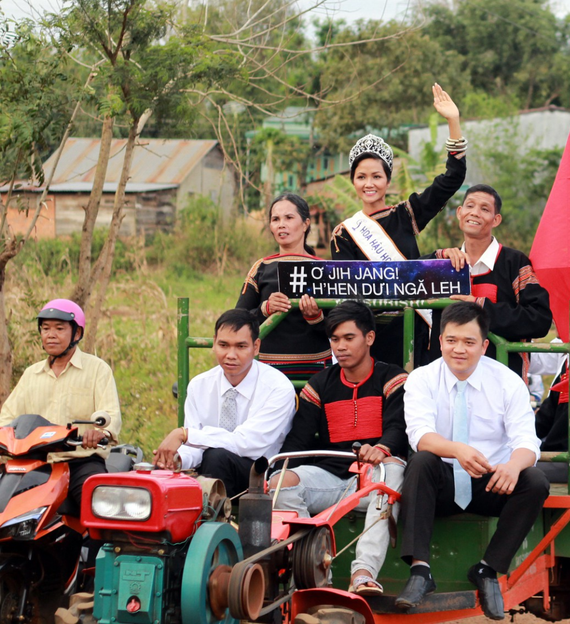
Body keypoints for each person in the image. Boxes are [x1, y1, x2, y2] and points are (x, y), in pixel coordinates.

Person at [398, 302, 549, 620]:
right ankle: (420, 571)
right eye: (451, 340)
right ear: (440, 341)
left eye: (468, 342)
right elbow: (420, 435)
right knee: (421, 461)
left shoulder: (507, 382)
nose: (459, 350)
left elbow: (527, 442)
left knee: (535, 480)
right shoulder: (421, 379)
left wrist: (512, 465)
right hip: (443, 480)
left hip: (490, 481)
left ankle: (488, 569)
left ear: (483, 345)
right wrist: (457, 450)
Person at [273, 301, 409, 596]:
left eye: (349, 338)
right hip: (332, 478)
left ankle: (363, 573)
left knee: (392, 470)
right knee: (280, 482)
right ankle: (317, 572)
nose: (340, 347)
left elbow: (399, 428)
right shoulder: (319, 384)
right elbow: (299, 439)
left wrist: (383, 448)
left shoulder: (392, 378)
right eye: (335, 339)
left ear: (369, 338)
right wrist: (272, 471)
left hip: (375, 479)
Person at [330, 84, 466, 365]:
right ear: (353, 181)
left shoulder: (406, 214)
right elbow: (350, 295)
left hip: (415, 328)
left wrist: (453, 121)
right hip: (373, 337)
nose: (369, 184)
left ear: (388, 181)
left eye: (377, 176)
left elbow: (451, 179)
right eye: (362, 177)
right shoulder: (344, 234)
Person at [153, 309, 296, 496]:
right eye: (223, 345)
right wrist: (175, 460)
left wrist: (186, 434)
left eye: (241, 346)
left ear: (256, 347)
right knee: (157, 472)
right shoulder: (199, 385)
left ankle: (213, 521)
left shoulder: (277, 387)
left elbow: (247, 444)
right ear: (214, 343)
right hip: (210, 468)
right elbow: (195, 448)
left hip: (260, 475)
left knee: (216, 456)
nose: (230, 354)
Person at [0, 300, 122, 513]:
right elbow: (7, 418)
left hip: (79, 462)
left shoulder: (97, 370)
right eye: (45, 329)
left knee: (100, 510)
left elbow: (110, 415)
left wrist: (99, 433)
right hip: (34, 462)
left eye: (59, 328)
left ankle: (96, 547)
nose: (50, 334)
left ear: (76, 333)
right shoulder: (31, 374)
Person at [427, 184, 553, 378]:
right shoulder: (440, 263)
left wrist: (479, 308)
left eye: (484, 209)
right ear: (459, 212)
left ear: (496, 220)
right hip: (444, 380)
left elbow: (540, 319)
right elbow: (401, 283)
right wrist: (435, 259)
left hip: (500, 380)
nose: (475, 213)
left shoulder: (514, 262)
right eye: (470, 206)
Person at [236, 193, 329, 380]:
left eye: (289, 218)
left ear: (305, 224)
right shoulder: (261, 267)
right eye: (275, 219)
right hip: (268, 369)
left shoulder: (324, 268)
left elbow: (341, 325)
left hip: (316, 370)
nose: (281, 224)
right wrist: (265, 309)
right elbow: (238, 319)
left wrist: (316, 317)